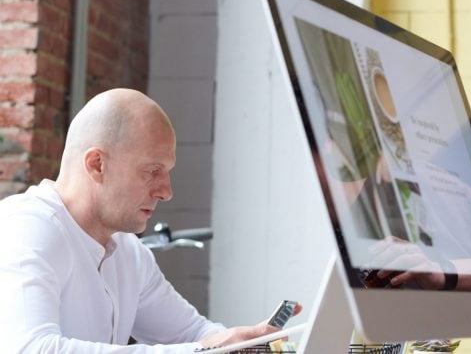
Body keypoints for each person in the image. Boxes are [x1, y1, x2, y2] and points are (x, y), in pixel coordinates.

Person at [0, 88, 291, 352]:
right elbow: (30, 349)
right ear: (96, 164)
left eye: (167, 172)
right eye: (153, 170)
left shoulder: (127, 251)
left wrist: (246, 343)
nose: (167, 192)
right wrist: (200, 351)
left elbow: (193, 334)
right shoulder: (27, 229)